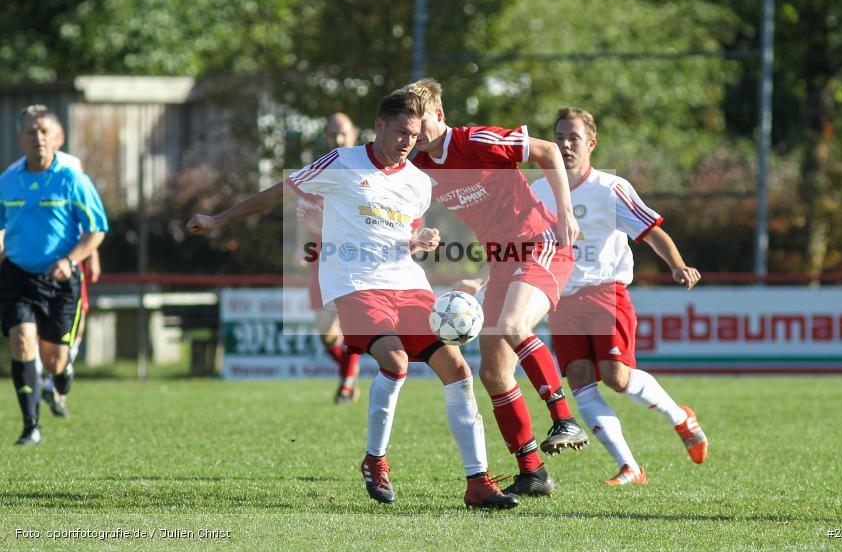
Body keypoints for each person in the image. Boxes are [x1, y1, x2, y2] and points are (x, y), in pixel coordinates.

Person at [187, 91, 517, 510]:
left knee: (457, 371)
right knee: (394, 362)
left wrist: (421, 239)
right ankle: (375, 461)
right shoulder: (342, 163)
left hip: (407, 282)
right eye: (400, 132)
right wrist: (219, 219)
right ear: (379, 125)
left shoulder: (417, 181)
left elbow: (407, 234)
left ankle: (478, 483)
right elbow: (279, 192)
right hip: (354, 282)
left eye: (414, 136)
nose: (407, 142)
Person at [401, 79, 588, 497]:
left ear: (440, 115)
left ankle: (564, 418)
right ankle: (533, 472)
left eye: (423, 122)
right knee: (494, 372)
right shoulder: (422, 169)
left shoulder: (477, 140)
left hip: (540, 243)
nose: (417, 134)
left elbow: (547, 150)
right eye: (410, 127)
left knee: (514, 325)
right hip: (501, 261)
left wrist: (565, 212)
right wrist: (420, 236)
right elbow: (408, 211)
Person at [530, 107, 708, 485]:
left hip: (605, 293)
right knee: (578, 377)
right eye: (559, 136)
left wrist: (676, 265)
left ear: (591, 144)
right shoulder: (538, 189)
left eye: (573, 137)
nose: (564, 144)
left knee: (616, 376)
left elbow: (652, 230)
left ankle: (681, 417)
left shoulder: (610, 188)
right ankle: (630, 467)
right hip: (560, 299)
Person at [0, 105, 108, 445]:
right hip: (17, 276)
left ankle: (62, 374)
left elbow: (97, 229)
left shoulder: (72, 179)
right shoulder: (7, 181)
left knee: (54, 359)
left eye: (44, 131)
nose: (38, 138)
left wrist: (73, 260)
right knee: (21, 341)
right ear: (20, 138)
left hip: (60, 280)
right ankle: (30, 426)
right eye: (31, 132)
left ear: (57, 137)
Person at [295, 113, 361, 403]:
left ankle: (346, 385)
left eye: (343, 133)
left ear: (354, 134)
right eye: (332, 134)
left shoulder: (364, 170)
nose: (338, 139)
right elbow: (303, 215)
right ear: (325, 136)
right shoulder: (317, 173)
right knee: (326, 332)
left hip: (355, 260)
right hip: (322, 261)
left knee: (351, 326)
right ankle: (350, 374)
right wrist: (301, 246)